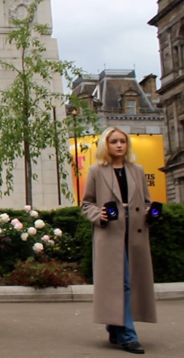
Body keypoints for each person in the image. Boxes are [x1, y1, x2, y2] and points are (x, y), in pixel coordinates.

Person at [82, 127, 157, 354]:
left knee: (131, 281)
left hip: (136, 232)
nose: (119, 145)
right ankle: (128, 335)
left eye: (122, 141)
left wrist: (149, 212)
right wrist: (99, 215)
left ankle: (115, 327)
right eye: (114, 141)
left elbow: (146, 201)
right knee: (121, 282)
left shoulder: (137, 170)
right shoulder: (96, 171)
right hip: (110, 232)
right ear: (106, 144)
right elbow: (87, 204)